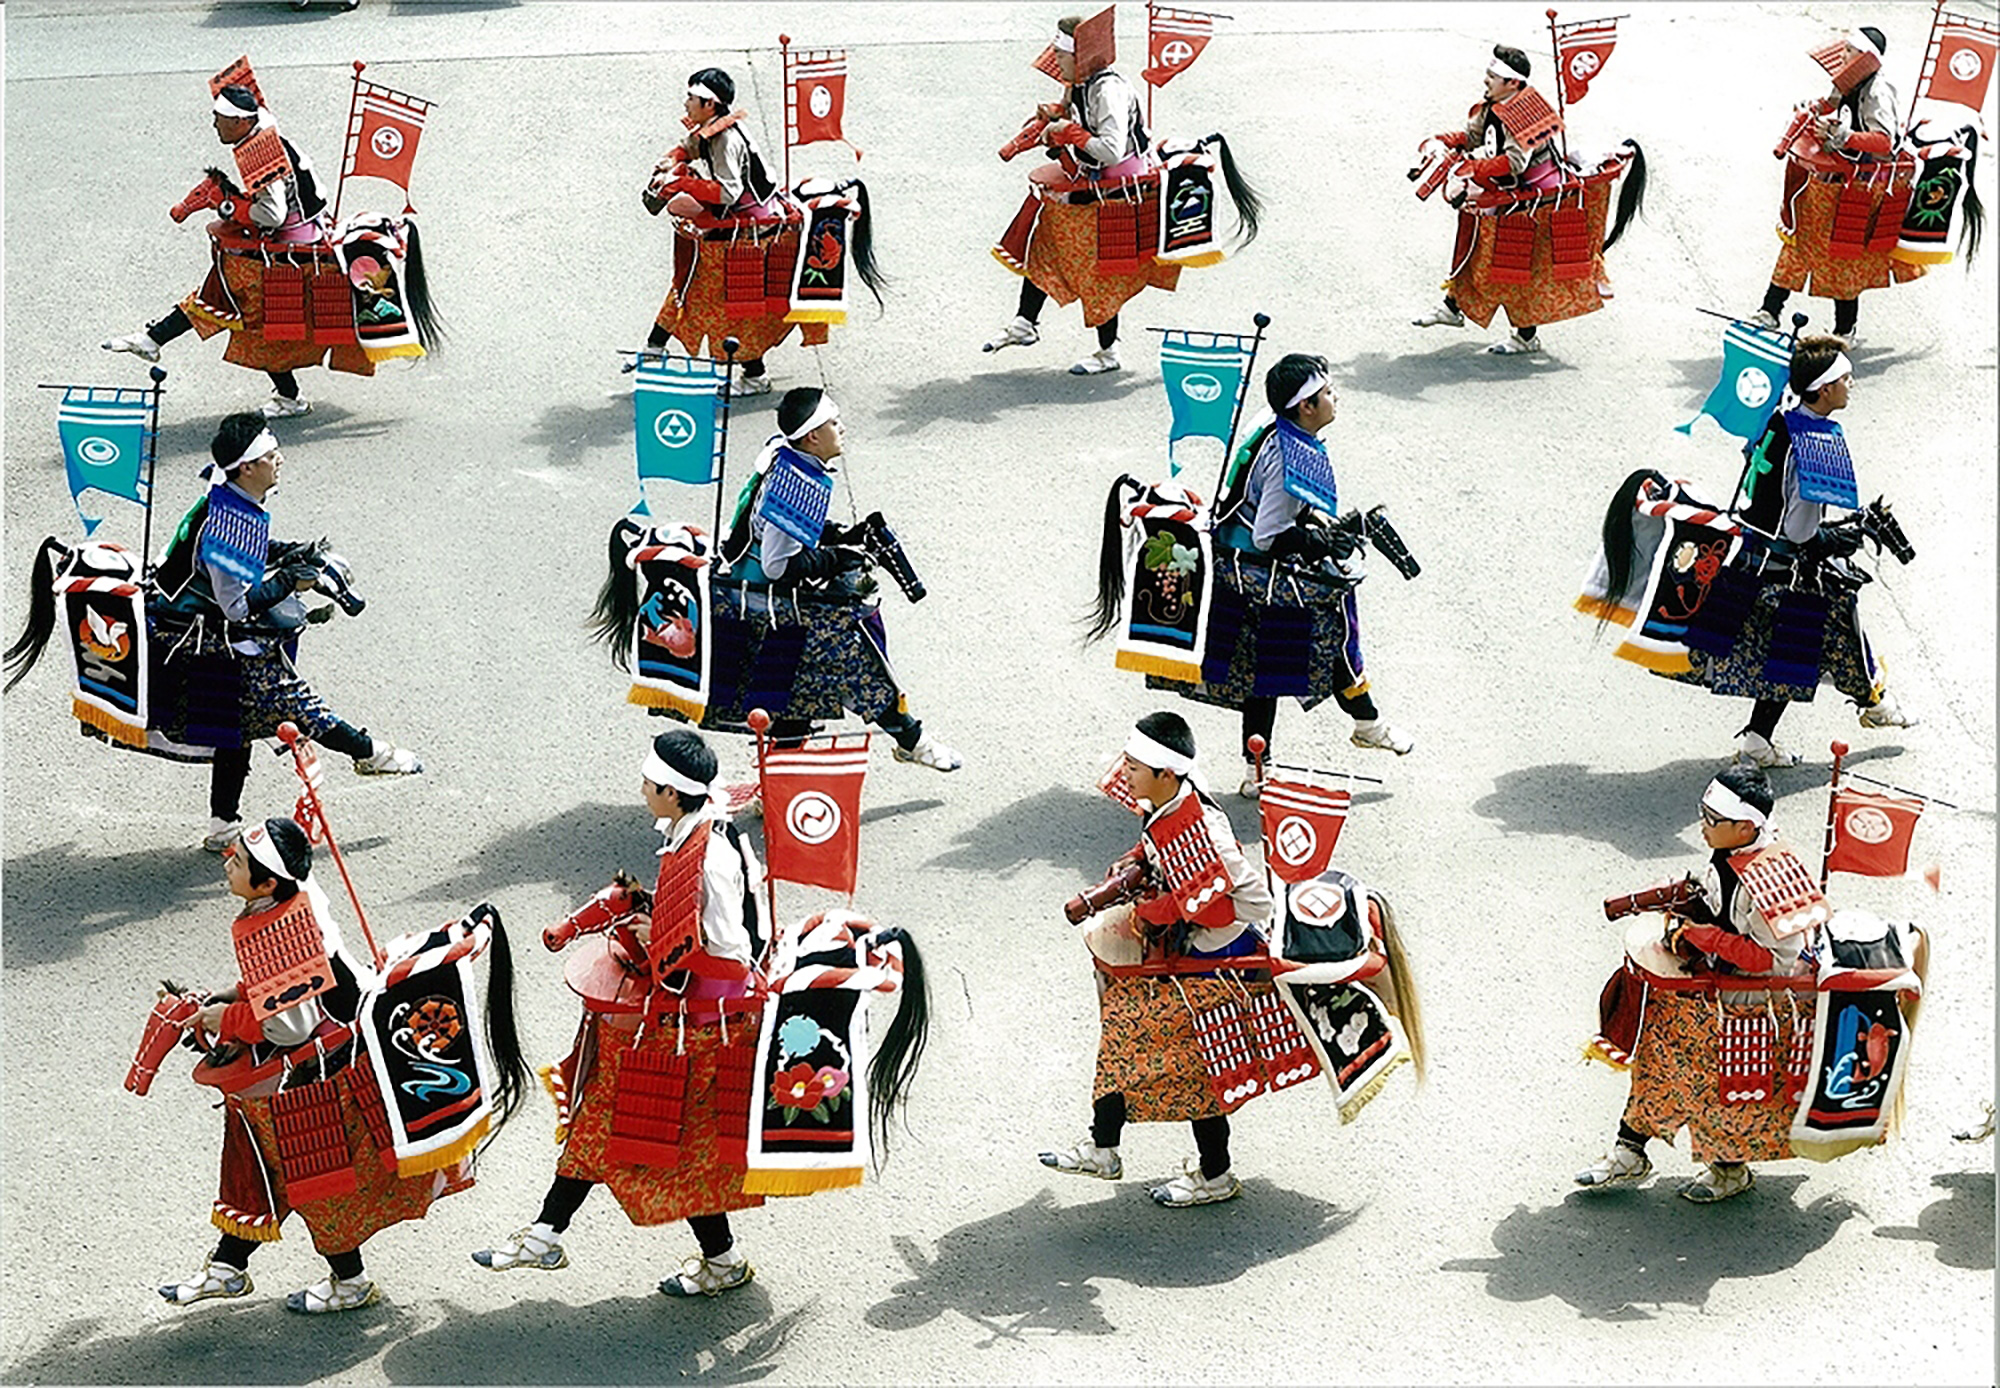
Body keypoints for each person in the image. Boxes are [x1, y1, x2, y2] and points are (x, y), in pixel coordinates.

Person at [158, 817, 522, 1311]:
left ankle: (346, 1283)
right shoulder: (289, 899)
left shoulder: (280, 932)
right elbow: (272, 994)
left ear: (267, 883)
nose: (228, 862)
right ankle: (228, 1268)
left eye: (239, 861)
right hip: (315, 1068)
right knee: (267, 1170)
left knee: (313, 1185)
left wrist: (225, 1017)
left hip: (322, 1080)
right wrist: (226, 997)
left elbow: (287, 1026)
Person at [472, 730, 767, 1296]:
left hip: (694, 1025)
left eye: (649, 784)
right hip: (676, 1016)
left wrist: (656, 937)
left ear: (673, 794)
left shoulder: (708, 856)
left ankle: (546, 1234)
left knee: (619, 1124)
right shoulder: (694, 830)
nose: (642, 790)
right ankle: (715, 1260)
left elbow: (729, 950)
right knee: (639, 1134)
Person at [149, 413, 422, 849]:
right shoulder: (227, 525)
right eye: (269, 455)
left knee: (234, 731)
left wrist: (290, 551)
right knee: (302, 709)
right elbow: (235, 606)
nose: (279, 459)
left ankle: (223, 828)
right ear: (246, 467)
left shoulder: (228, 497)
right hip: (217, 646)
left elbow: (251, 552)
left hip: (210, 635)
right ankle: (372, 754)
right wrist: (289, 582)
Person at [1040, 712, 1274, 1206]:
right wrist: (1135, 860)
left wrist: (1159, 911)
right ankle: (1109, 1149)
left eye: (1134, 766)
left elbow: (1234, 900)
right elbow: (1157, 846)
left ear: (1167, 773)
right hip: (1184, 945)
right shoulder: (1166, 799)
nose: (1124, 772)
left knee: (1187, 1063)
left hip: (1216, 955)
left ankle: (1207, 1174)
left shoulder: (1203, 828)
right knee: (1126, 1036)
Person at [1575, 766, 1813, 1203]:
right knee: (1656, 1057)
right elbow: (1708, 898)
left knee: (1722, 1087)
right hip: (1707, 989)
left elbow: (1774, 959)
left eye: (1710, 820)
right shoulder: (1730, 849)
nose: (1701, 827)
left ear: (1744, 827)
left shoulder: (1773, 878)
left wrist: (1704, 937)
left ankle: (1729, 1170)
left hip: (1754, 1005)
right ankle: (1629, 1149)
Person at [1676, 336, 1916, 767]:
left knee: (1789, 655)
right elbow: (1802, 532)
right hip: (1781, 568)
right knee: (1828, 631)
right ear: (1823, 390)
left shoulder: (1779, 418)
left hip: (1751, 547)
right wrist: (1846, 536)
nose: (1851, 384)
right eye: (1844, 378)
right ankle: (1875, 703)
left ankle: (1758, 740)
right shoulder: (1814, 448)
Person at [985, 12, 1260, 375]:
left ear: (1079, 57)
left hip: (1114, 189)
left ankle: (1108, 352)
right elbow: (1070, 116)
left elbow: (1111, 150)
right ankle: (1025, 323)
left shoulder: (1106, 90)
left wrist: (1071, 133)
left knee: (1097, 274)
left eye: (1061, 54)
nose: (1056, 59)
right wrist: (1054, 116)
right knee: (1046, 244)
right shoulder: (1078, 84)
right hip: (1085, 179)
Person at [719, 387, 961, 770]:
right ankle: (913, 741)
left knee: (794, 700)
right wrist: (839, 557)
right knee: (854, 661)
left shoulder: (787, 456)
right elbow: (778, 564)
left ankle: (777, 785)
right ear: (813, 436)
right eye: (834, 422)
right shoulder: (794, 484)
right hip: (767, 604)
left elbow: (797, 532)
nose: (842, 428)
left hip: (769, 596)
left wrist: (842, 535)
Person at [1211, 354, 1414, 790]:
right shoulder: (1288, 460)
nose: (1333, 396)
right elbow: (1269, 534)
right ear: (1305, 407)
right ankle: (1367, 726)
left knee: (1264, 672)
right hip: (1255, 570)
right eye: (1325, 393)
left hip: (1243, 556)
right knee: (1329, 639)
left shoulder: (1277, 421)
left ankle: (1257, 770)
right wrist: (1319, 541)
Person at [635, 68, 880, 398]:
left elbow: (728, 193)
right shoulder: (712, 127)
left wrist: (681, 183)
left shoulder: (725, 140)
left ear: (709, 104)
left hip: (747, 226)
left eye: (692, 98)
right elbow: (688, 147)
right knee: (692, 285)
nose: (686, 103)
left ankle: (751, 374)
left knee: (729, 306)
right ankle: (655, 347)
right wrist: (670, 162)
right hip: (732, 218)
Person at [101, 82, 332, 419]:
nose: (214, 125)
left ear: (240, 122)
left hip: (290, 245)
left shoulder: (259, 154)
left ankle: (289, 398)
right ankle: (154, 338)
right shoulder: (262, 129)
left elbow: (272, 213)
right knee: (226, 294)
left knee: (243, 309)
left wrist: (228, 207)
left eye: (219, 119)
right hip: (302, 229)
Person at [1751, 26, 1911, 350]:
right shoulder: (1847, 80)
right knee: (1798, 240)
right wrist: (1812, 110)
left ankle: (1845, 329)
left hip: (1861, 185)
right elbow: (1828, 103)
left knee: (1844, 254)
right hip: (1828, 181)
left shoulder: (1878, 91)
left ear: (1866, 59)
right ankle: (1770, 310)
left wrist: (1845, 137)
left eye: (1850, 51)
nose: (1844, 56)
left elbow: (1884, 142)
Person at [1411, 45, 1562, 355]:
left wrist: (1472, 168)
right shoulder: (1493, 104)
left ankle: (1525, 337)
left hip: (1529, 198)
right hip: (1504, 191)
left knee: (1511, 266)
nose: (1486, 80)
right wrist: (1442, 141)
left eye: (1493, 76)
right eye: (1488, 74)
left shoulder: (1525, 114)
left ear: (1513, 83)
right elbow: (1473, 136)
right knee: (1473, 243)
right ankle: (1453, 306)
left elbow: (1516, 163)